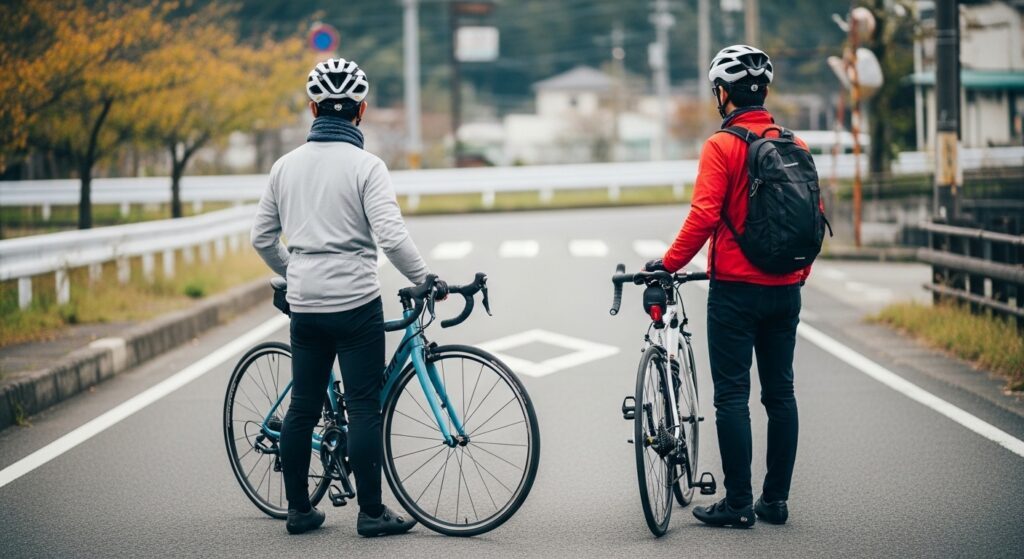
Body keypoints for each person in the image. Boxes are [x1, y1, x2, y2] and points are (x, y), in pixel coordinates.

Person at [251, 57, 432, 537]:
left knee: (304, 406)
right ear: (362, 110)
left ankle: (298, 512)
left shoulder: (283, 167)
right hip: (356, 303)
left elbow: (262, 239)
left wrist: (298, 272)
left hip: (306, 305)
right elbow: (391, 238)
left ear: (312, 109)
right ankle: (371, 515)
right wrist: (426, 276)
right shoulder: (367, 166)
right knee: (364, 407)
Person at [644, 45, 811, 528]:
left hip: (737, 290)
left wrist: (668, 264)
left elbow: (704, 215)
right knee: (781, 394)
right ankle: (774, 501)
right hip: (787, 288)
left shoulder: (723, 145)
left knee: (732, 396)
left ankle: (739, 502)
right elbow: (810, 221)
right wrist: (797, 274)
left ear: (723, 93)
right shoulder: (794, 145)